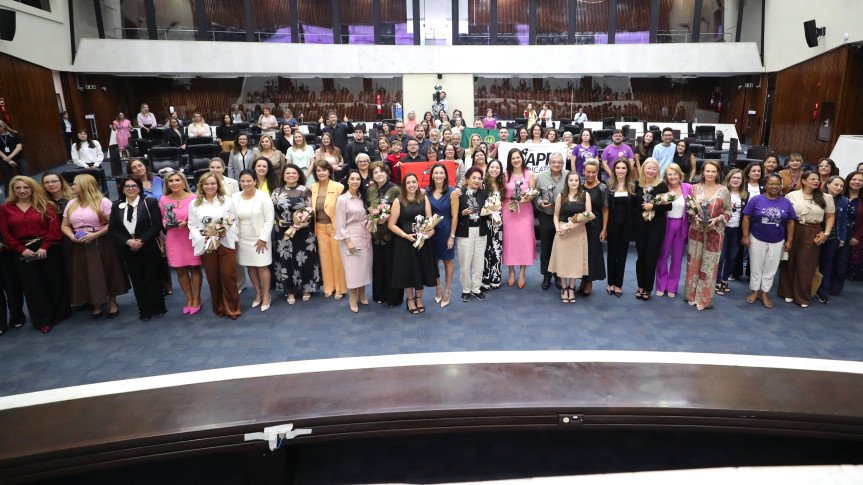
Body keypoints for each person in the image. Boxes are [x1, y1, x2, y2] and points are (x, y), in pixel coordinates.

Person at [0, 176, 69, 333]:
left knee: (54, 281)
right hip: (22, 250)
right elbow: (6, 233)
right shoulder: (5, 209)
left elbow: (54, 228)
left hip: (47, 247)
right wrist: (21, 249)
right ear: (12, 190)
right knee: (32, 286)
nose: (22, 191)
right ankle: (42, 320)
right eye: (18, 188)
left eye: (26, 187)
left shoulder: (46, 205)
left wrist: (44, 247)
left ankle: (58, 313)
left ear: (32, 189)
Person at [61, 174, 128, 319]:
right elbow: (64, 225)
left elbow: (112, 224)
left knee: (107, 271)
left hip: (101, 241)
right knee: (86, 273)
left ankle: (112, 303)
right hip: (79, 243)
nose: (72, 186)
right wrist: (71, 236)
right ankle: (96, 305)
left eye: (75, 184)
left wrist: (94, 235)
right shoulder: (71, 203)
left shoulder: (103, 202)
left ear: (84, 185)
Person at [108, 177, 166, 321]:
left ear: (139, 188)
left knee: (153, 278)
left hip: (149, 246)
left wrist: (141, 241)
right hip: (128, 249)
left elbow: (157, 225)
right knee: (137, 280)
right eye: (127, 186)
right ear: (122, 190)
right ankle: (144, 309)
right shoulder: (116, 205)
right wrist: (127, 241)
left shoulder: (149, 202)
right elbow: (112, 229)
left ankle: (158, 307)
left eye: (134, 186)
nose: (130, 189)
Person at [777, 171, 835, 308]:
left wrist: (826, 233)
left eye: (817, 179)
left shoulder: (826, 197)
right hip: (793, 228)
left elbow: (830, 216)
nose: (816, 181)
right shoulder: (791, 195)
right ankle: (786, 292)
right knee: (789, 260)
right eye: (812, 179)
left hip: (813, 230)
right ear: (803, 181)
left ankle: (802, 297)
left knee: (806, 264)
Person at [188, 172, 241, 319]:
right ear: (201, 185)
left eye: (213, 183)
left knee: (228, 275)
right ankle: (219, 307)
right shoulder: (194, 203)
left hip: (225, 242)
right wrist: (203, 238)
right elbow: (192, 225)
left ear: (218, 185)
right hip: (207, 245)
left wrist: (225, 231)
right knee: (212, 276)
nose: (209, 186)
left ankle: (232, 308)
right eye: (206, 184)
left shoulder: (227, 200)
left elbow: (234, 220)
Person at [741, 173, 796, 309]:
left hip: (777, 240)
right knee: (756, 267)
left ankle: (765, 293)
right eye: (771, 184)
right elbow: (746, 218)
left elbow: (790, 222)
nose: (774, 186)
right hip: (757, 238)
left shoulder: (786, 202)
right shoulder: (756, 199)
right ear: (765, 185)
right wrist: (745, 236)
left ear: (781, 186)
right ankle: (755, 291)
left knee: (771, 269)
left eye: (777, 184)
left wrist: (789, 240)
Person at [684, 160, 732, 311]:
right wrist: (694, 217)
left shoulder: (723, 190)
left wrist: (718, 219)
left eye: (713, 171)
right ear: (703, 172)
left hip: (714, 234)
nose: (710, 174)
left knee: (709, 266)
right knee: (693, 263)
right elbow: (689, 208)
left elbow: (728, 211)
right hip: (695, 231)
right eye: (707, 171)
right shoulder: (694, 188)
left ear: (718, 173)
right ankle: (691, 295)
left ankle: (704, 299)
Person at [387, 172, 438, 314]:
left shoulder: (424, 198)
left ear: (417, 183)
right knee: (407, 272)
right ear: (404, 185)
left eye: (414, 182)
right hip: (404, 242)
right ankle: (410, 299)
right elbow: (391, 225)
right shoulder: (398, 201)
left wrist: (428, 234)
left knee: (420, 270)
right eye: (408, 182)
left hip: (422, 242)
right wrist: (406, 236)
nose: (411, 185)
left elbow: (430, 221)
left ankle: (419, 298)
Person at [271, 163, 320, 304]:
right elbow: (272, 210)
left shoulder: (305, 190)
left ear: (299, 175)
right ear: (283, 176)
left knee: (305, 259)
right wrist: (279, 220)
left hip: (303, 231)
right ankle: (290, 291)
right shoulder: (276, 191)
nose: (291, 175)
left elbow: (310, 210)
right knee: (286, 260)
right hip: (284, 231)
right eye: (288, 173)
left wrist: (303, 221)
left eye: (294, 173)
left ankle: (306, 288)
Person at [159, 171, 202, 315]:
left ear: (184, 182)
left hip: (190, 237)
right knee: (180, 270)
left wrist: (188, 223)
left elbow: (200, 218)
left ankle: (197, 299)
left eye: (177, 180)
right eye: (171, 181)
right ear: (167, 184)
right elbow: (163, 218)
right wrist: (166, 223)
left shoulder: (194, 197)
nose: (174, 183)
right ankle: (189, 298)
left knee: (194, 268)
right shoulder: (163, 199)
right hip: (173, 238)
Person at [232, 170, 274, 312]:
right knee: (250, 266)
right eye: (243, 181)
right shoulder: (235, 197)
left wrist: (263, 238)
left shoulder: (263, 196)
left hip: (260, 238)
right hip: (242, 237)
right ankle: (258, 292)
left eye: (249, 181)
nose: (246, 184)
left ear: (255, 181)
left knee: (262, 266)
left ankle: (266, 294)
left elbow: (269, 219)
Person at [548, 171, 591, 303]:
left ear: (579, 181)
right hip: (563, 231)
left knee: (574, 262)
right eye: (571, 180)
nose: (574, 182)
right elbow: (556, 216)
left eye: (576, 180)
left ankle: (572, 289)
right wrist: (557, 228)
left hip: (578, 232)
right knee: (563, 261)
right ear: (567, 182)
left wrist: (575, 225)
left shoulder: (585, 195)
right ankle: (564, 288)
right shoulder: (561, 196)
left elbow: (589, 215)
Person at [632, 158, 669, 300]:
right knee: (641, 257)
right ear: (643, 169)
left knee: (651, 257)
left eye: (654, 168)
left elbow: (668, 206)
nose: (651, 171)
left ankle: (648, 288)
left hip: (656, 226)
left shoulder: (662, 186)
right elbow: (633, 206)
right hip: (640, 225)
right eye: (649, 168)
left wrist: (653, 206)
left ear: (657, 171)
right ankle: (640, 286)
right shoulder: (637, 185)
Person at [335, 170, 372, 313]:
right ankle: (352, 297)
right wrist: (348, 241)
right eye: (352, 179)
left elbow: (366, 216)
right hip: (350, 237)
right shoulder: (342, 199)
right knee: (352, 269)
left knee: (363, 267)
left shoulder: (363, 198)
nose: (355, 181)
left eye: (358, 179)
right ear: (347, 181)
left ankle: (362, 293)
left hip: (365, 236)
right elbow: (340, 223)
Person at [365, 161, 401, 307]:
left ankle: (394, 298)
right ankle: (380, 294)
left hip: (391, 234)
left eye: (381, 171)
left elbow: (401, 209)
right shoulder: (370, 190)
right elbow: (368, 208)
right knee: (379, 266)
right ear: (372, 176)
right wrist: (372, 216)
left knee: (392, 267)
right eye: (375, 172)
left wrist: (387, 218)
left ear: (386, 172)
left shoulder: (395, 189)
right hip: (375, 235)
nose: (379, 174)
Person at [653, 164, 692, 298]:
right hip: (666, 225)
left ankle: (672, 287)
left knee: (677, 258)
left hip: (682, 224)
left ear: (680, 175)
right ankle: (661, 285)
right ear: (666, 176)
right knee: (662, 256)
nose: (673, 177)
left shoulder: (688, 188)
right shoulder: (662, 188)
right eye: (670, 174)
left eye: (675, 174)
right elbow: (655, 202)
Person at [310, 160, 347, 300]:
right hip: (319, 227)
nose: (321, 173)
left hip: (335, 227)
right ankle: (328, 287)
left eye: (324, 170)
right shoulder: (312, 187)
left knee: (337, 258)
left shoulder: (339, 187)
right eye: (318, 170)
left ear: (329, 171)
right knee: (324, 259)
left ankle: (340, 288)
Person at [454, 166, 491, 302]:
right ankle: (466, 289)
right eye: (474, 178)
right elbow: (453, 214)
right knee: (465, 263)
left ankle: (476, 288)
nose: (476, 180)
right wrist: (462, 213)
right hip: (465, 231)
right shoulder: (459, 193)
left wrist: (491, 213)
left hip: (481, 231)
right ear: (467, 179)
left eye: (479, 178)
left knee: (479, 262)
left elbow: (488, 211)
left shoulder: (484, 193)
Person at [502, 148, 536, 288]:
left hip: (525, 210)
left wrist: (523, 200)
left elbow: (533, 193)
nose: (516, 160)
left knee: (524, 241)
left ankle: (522, 272)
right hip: (508, 210)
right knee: (509, 241)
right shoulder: (505, 174)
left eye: (518, 157)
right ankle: (511, 271)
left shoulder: (530, 174)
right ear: (510, 161)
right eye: (513, 158)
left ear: (522, 158)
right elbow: (502, 193)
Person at [534, 152, 567, 290]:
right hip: (546, 215)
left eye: (559, 162)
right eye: (553, 162)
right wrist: (540, 202)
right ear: (549, 163)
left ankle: (559, 276)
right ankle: (546, 276)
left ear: (563, 164)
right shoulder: (540, 177)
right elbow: (535, 194)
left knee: (561, 247)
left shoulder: (568, 176)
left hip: (563, 216)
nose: (556, 164)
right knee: (546, 246)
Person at [427, 163, 458, 307]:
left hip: (446, 231)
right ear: (432, 175)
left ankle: (447, 291)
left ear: (445, 175)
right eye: (436, 173)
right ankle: (438, 287)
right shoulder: (427, 192)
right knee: (433, 262)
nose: (439, 175)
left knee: (447, 261)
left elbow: (455, 216)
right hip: (431, 232)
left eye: (441, 173)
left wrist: (452, 236)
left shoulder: (452, 192)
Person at [815, 175, 848, 304]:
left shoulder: (844, 201)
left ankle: (822, 291)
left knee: (827, 265)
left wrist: (842, 239)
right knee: (811, 263)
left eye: (841, 186)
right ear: (827, 184)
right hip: (815, 235)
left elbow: (843, 221)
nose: (838, 187)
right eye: (836, 184)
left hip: (832, 238)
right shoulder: (817, 196)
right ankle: (807, 288)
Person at [605, 158, 636, 298]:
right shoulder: (608, 185)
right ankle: (610, 283)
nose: (620, 171)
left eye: (623, 168)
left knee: (622, 255)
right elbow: (605, 208)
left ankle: (618, 284)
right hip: (612, 225)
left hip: (627, 226)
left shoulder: (633, 186)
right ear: (614, 170)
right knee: (611, 254)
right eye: (618, 168)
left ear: (628, 170)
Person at [714, 169, 747, 296]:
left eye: (739, 178)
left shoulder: (745, 195)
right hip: (722, 229)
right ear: (728, 179)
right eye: (733, 177)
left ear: (742, 181)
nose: (736, 180)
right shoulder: (721, 192)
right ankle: (717, 281)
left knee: (732, 257)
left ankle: (724, 280)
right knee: (721, 257)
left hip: (736, 230)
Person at [580, 160, 609, 296]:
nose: (591, 174)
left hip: (595, 225)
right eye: (588, 172)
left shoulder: (603, 188)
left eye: (593, 172)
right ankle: (583, 279)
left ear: (597, 172)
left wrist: (604, 229)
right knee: (581, 253)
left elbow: (605, 211)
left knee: (592, 253)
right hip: (580, 224)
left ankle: (589, 281)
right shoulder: (579, 186)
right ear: (583, 171)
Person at [482, 159, 505, 290]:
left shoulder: (501, 185)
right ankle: (485, 278)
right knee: (486, 249)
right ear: (488, 168)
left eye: (497, 168)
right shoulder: (482, 183)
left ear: (500, 170)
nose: (494, 170)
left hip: (498, 221)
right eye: (492, 167)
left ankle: (496, 277)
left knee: (497, 248)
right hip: (485, 220)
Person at [839, 172, 863, 287]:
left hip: (852, 233)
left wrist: (857, 236)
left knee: (842, 261)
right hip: (835, 231)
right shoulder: (839, 194)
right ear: (848, 180)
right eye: (854, 179)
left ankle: (836, 286)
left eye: (860, 180)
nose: (857, 182)